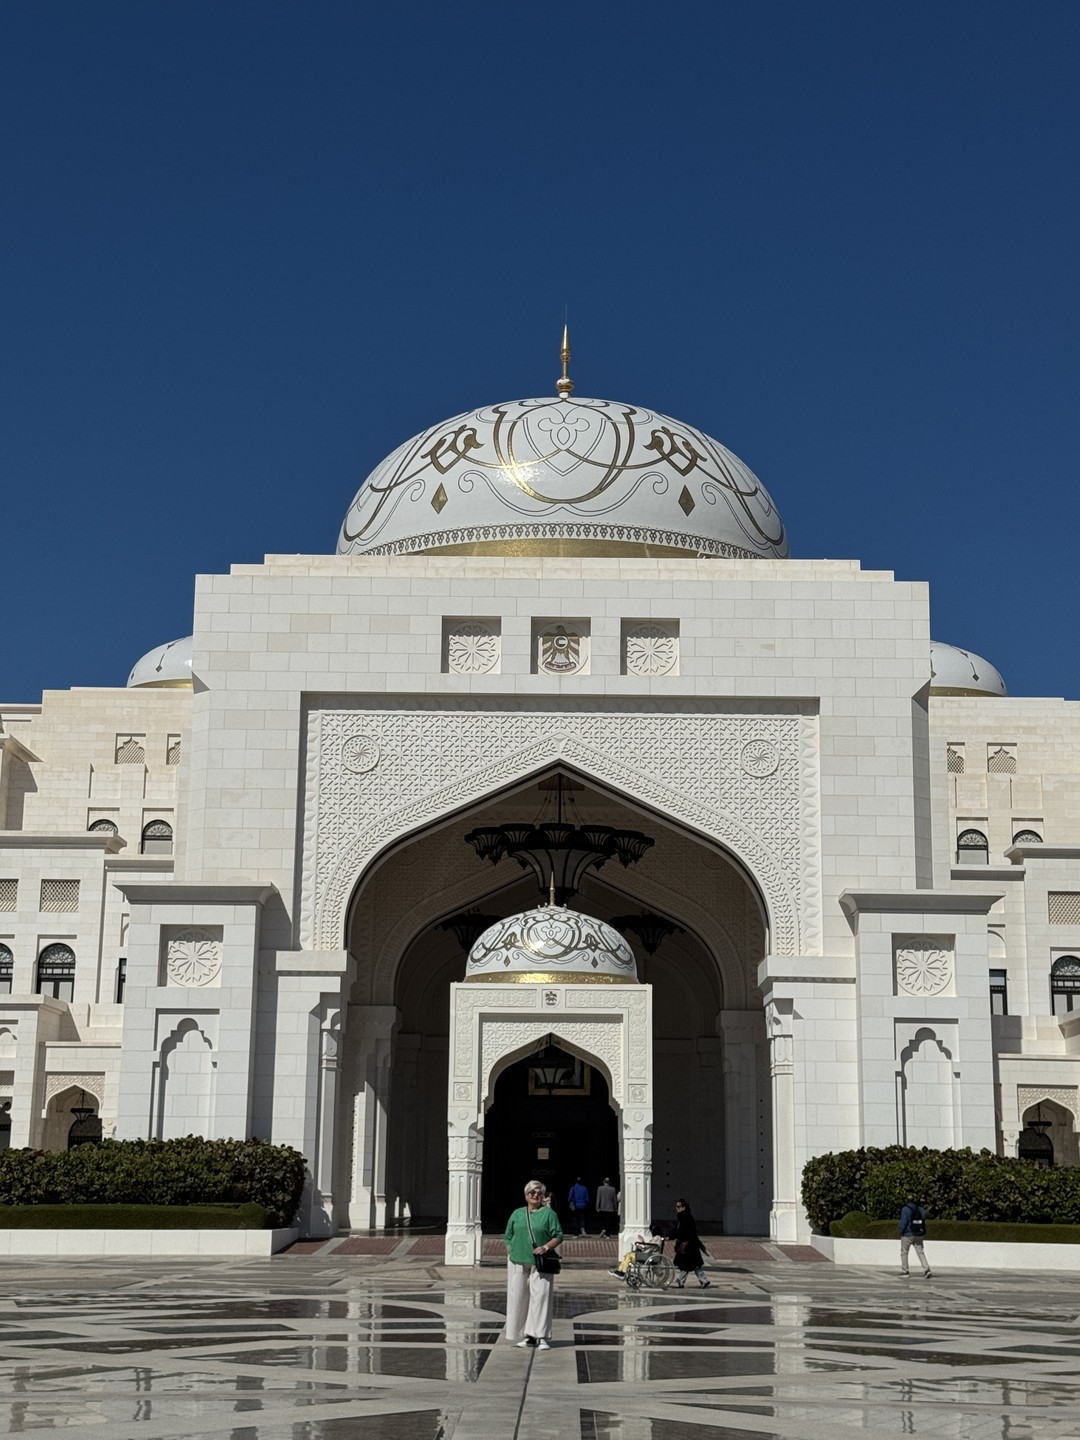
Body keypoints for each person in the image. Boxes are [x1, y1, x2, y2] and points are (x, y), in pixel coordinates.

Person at [505, 1179, 563, 1350]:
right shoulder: (517, 1214)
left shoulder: (549, 1214)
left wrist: (545, 1247)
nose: (535, 1195)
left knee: (541, 1297)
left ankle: (541, 1335)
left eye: (539, 1193)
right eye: (532, 1192)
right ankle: (528, 1335)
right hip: (517, 1260)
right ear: (526, 1195)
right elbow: (508, 1235)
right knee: (519, 1298)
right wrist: (510, 1249)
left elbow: (558, 1235)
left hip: (541, 1262)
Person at [672, 1198, 710, 1288]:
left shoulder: (686, 1218)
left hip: (689, 1245)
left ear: (683, 1207)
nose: (677, 1208)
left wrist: (671, 1236)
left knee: (688, 1264)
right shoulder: (684, 1217)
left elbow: (682, 1231)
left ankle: (682, 1281)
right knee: (693, 1264)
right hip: (690, 1245)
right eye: (676, 1207)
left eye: (678, 1207)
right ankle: (703, 1280)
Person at [898, 1193, 932, 1278]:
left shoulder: (905, 1209)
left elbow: (904, 1222)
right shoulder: (920, 1209)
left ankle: (905, 1271)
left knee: (904, 1252)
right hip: (918, 1234)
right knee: (920, 1252)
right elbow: (923, 1220)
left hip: (908, 1234)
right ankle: (926, 1269)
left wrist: (901, 1231)